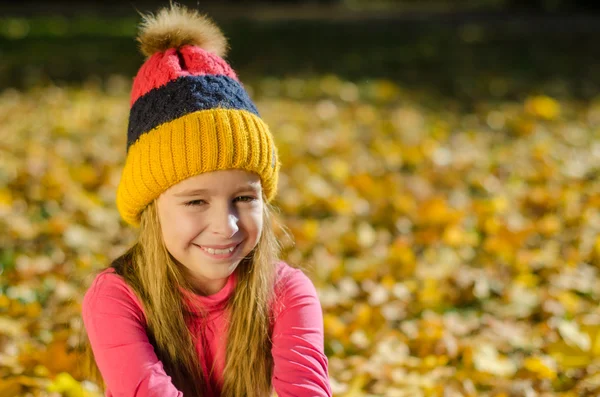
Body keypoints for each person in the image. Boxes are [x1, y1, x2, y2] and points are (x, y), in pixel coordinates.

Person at [80, 4, 332, 396]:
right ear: (152, 207)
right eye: (196, 202)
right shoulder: (117, 298)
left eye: (244, 198)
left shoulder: (286, 294)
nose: (226, 225)